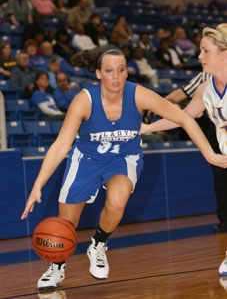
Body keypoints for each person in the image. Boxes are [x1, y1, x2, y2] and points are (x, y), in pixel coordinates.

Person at [21, 46, 227, 292]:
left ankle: (98, 243)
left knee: (117, 200)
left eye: (120, 70)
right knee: (67, 222)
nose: (116, 76)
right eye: (109, 70)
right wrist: (37, 185)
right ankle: (57, 265)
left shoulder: (138, 95)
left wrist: (211, 156)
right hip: (85, 159)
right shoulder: (84, 100)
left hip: (124, 157)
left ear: (127, 74)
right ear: (98, 74)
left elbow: (184, 117)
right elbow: (61, 145)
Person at [137, 23, 227, 274]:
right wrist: (145, 129)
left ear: (224, 55)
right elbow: (183, 117)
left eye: (205, 51)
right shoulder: (205, 89)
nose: (199, 57)